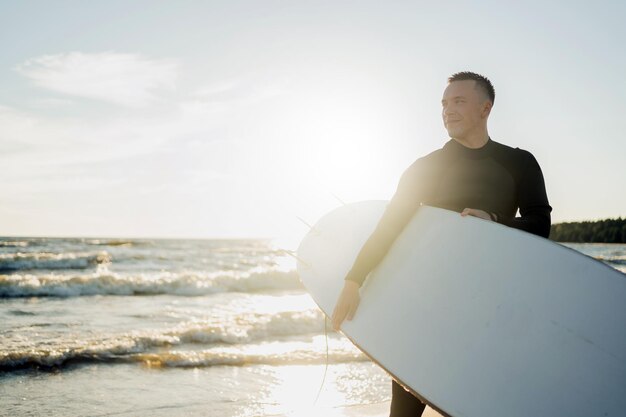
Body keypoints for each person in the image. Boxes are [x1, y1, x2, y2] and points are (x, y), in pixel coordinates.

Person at [330, 71, 552, 417]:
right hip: (426, 307)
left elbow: (541, 225)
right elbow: (388, 229)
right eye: (444, 103)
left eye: (459, 101)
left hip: (490, 310)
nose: (448, 110)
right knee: (404, 411)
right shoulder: (425, 168)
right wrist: (353, 279)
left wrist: (495, 222)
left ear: (485, 108)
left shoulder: (519, 163)